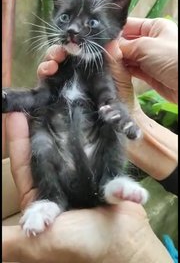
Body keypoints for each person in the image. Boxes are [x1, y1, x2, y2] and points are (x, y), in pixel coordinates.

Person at [3, 17, 178, 262]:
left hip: (96, 159)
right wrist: (9, 99)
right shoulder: (59, 69)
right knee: (41, 140)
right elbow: (39, 97)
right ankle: (51, 199)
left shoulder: (101, 70)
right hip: (59, 157)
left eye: (90, 22)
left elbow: (110, 101)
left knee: (109, 127)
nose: (74, 28)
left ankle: (109, 184)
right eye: (65, 18)